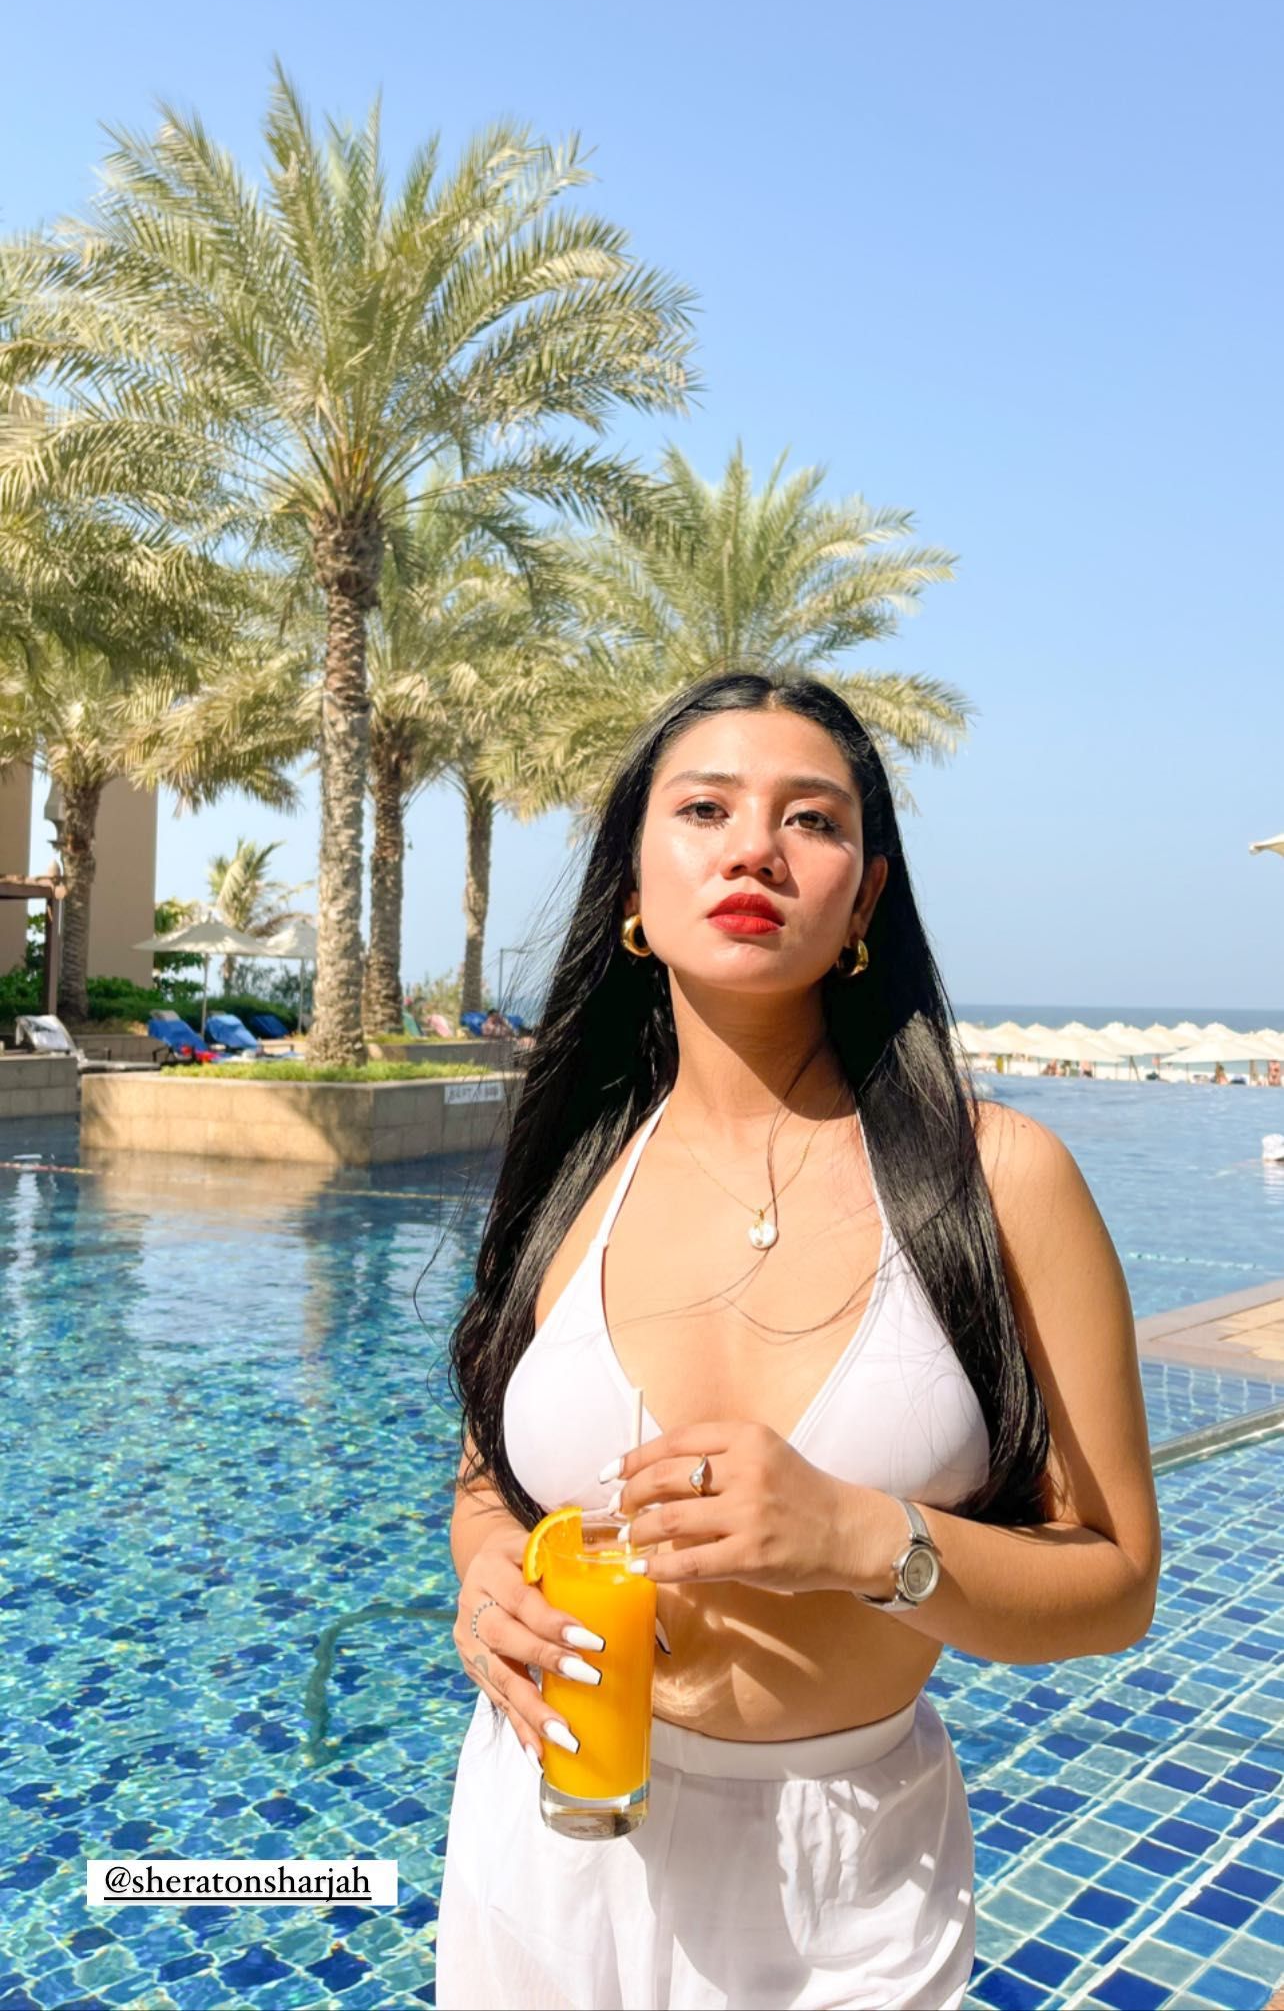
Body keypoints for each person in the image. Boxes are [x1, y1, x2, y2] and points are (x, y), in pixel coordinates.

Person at [436, 668, 1161, 2010]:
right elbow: (491, 1480)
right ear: (634, 879)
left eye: (811, 819)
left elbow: (1117, 1582)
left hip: (845, 1881)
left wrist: (864, 1538)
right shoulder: (573, 1170)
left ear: (865, 897)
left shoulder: (999, 1181)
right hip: (544, 1836)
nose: (755, 848)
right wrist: (487, 1583)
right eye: (704, 808)